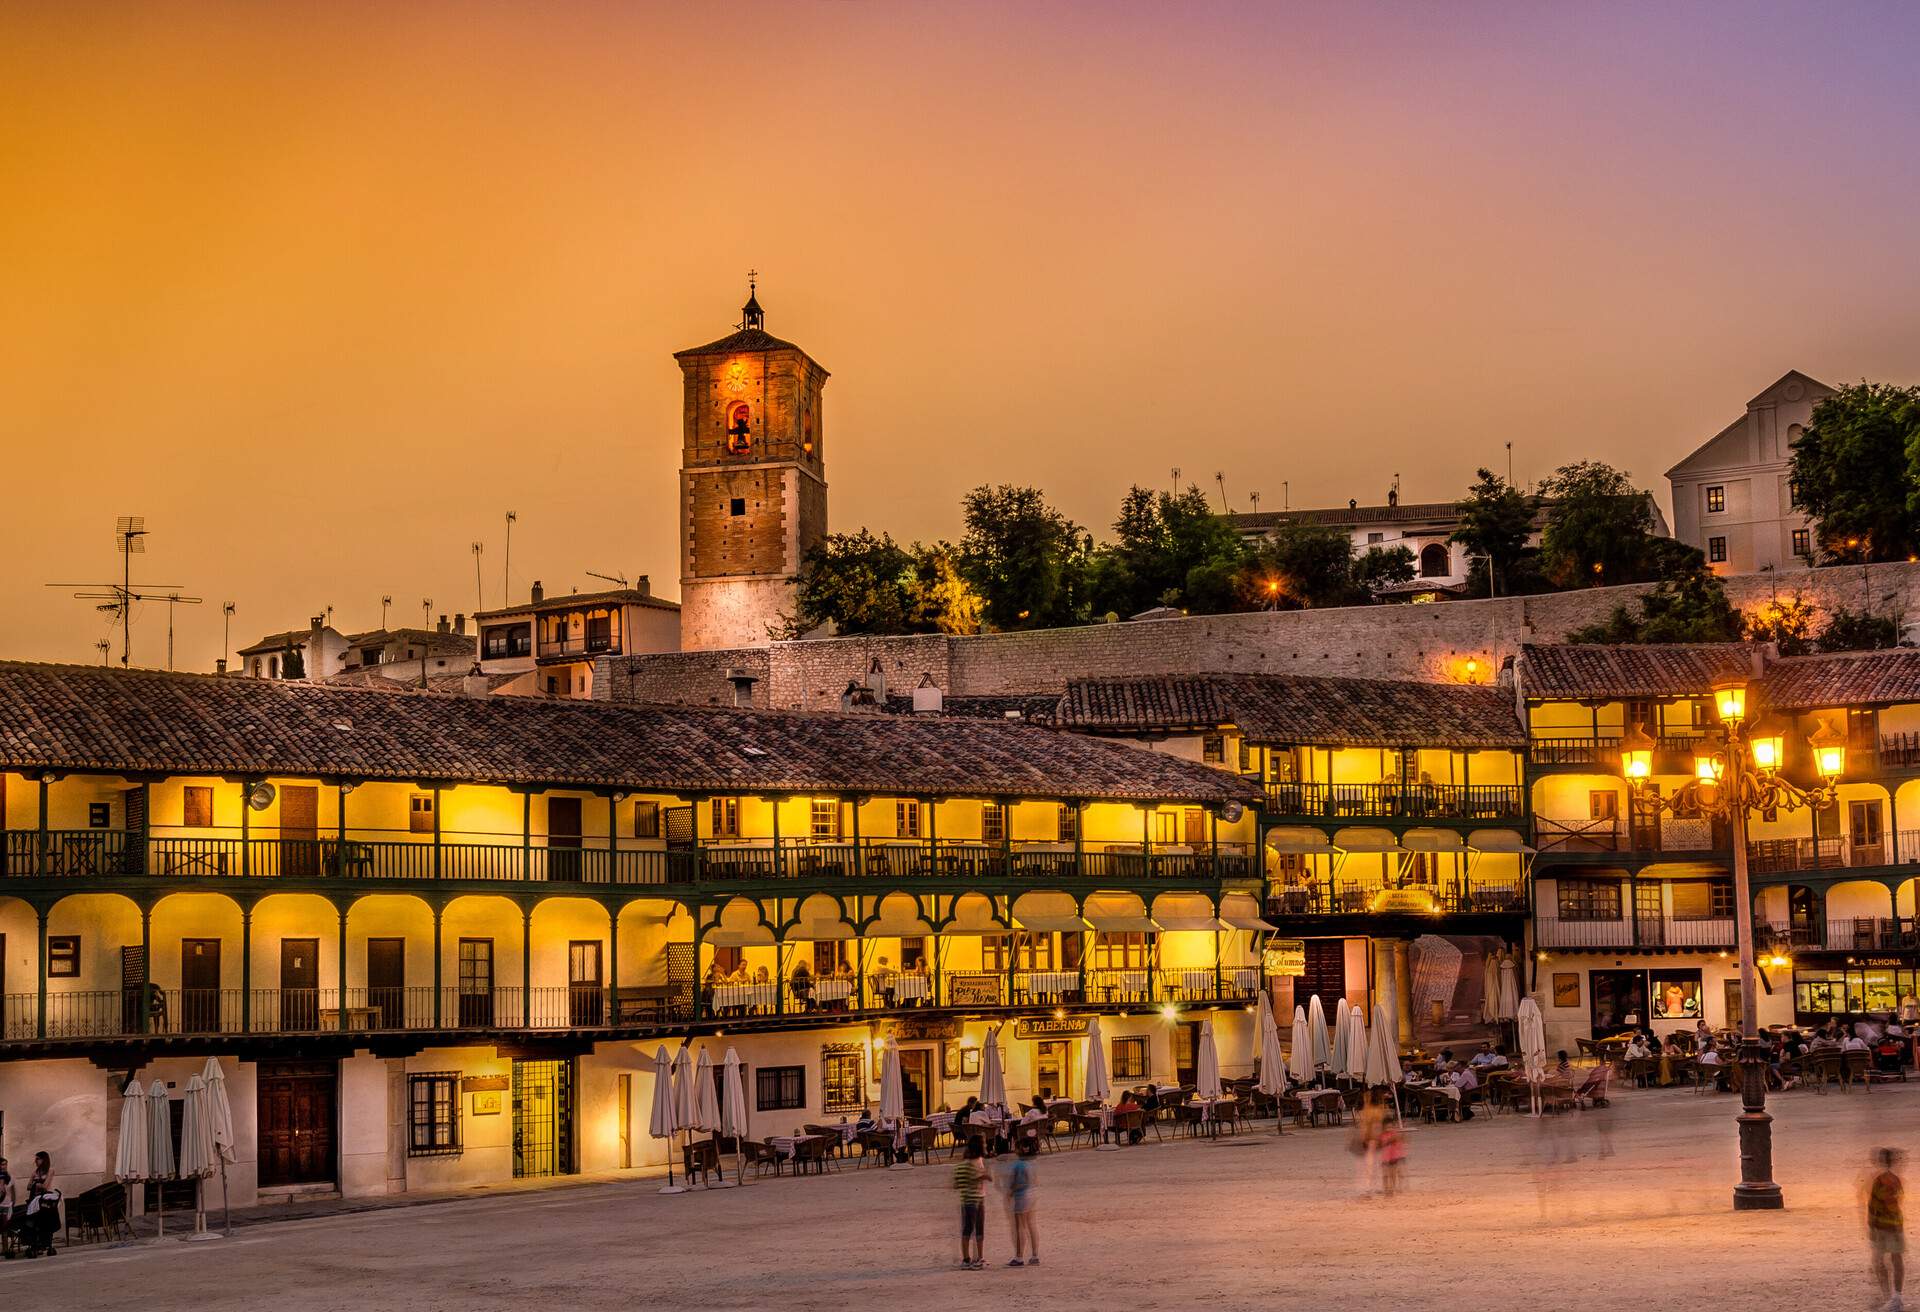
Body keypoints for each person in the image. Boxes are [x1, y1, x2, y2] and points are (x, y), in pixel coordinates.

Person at [1870, 1148, 1906, 1311]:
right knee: (1894, 1259)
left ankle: (1891, 1297)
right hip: (1893, 1224)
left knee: (1880, 1261)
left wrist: (1871, 1224)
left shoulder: (1881, 1180)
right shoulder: (1894, 1179)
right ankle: (1895, 1296)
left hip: (1884, 1226)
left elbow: (1875, 1204)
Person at [953, 1138, 991, 1270]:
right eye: (984, 1143)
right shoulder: (972, 1164)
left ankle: (969, 1258)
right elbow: (974, 1179)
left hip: (968, 1201)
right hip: (976, 1200)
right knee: (976, 1229)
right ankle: (975, 1258)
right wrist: (984, 1176)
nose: (986, 1145)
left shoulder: (962, 1166)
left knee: (968, 1229)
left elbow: (956, 1184)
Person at [1002, 1138, 1039, 1267]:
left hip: (1021, 1197)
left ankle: (1019, 1256)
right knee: (1031, 1225)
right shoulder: (1032, 1163)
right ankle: (1035, 1255)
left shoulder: (1017, 1165)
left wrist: (1009, 1193)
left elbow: (1014, 1184)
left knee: (1019, 1228)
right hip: (1032, 1194)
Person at [1352, 1089, 1389, 1195]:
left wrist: (1364, 1138)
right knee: (1376, 1164)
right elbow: (1380, 1126)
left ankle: (1369, 1186)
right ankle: (1373, 1186)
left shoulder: (1368, 1111)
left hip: (1371, 1140)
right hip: (1377, 1139)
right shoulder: (1379, 1111)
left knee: (1369, 1164)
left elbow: (1365, 1126)